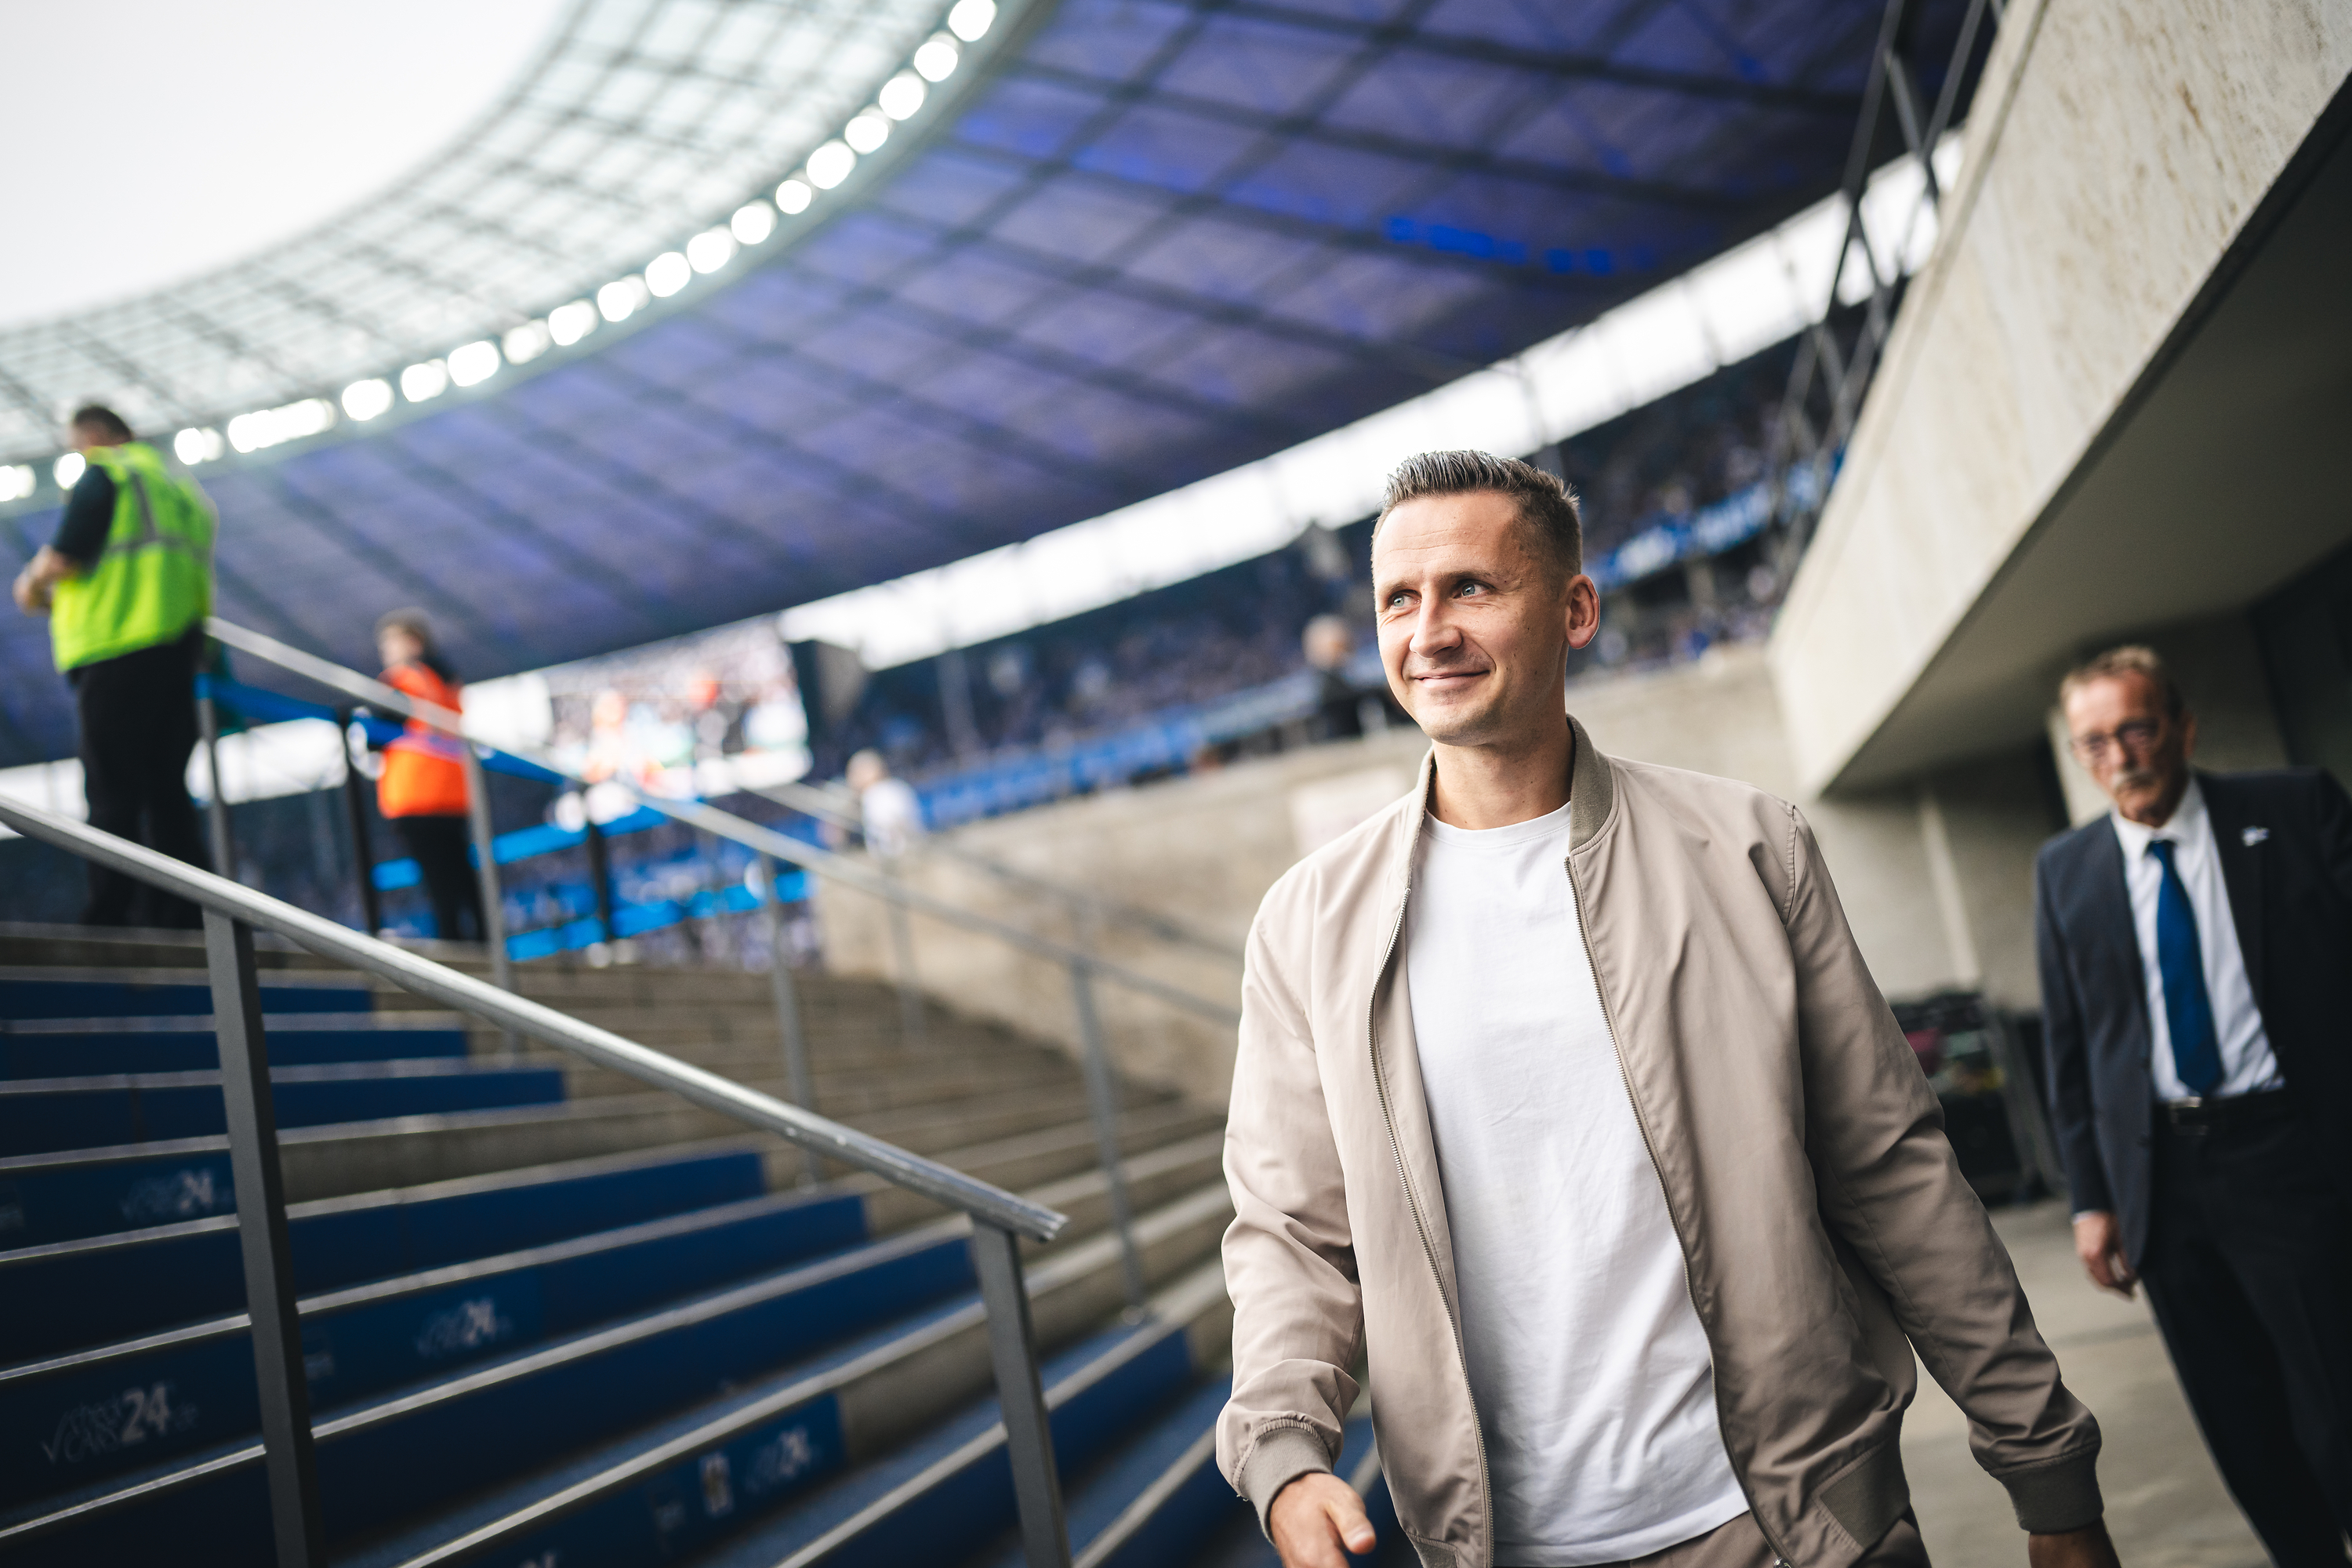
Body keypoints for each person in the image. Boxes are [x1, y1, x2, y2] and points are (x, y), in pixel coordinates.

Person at [1217, 450, 2119, 1568]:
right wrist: (1285, 1445)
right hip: (1497, 1545)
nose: (1428, 631)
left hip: (1797, 1527)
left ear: (1575, 607)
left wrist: (2046, 1468)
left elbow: (1893, 1170)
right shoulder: (1309, 924)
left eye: (1472, 589)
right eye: (1399, 599)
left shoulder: (1747, 849)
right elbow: (1294, 1233)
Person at [2036, 645, 2352, 1566]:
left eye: (2136, 728)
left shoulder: (2294, 809)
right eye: (2095, 740)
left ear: (2181, 724)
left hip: (2286, 1153)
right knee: (2242, 1426)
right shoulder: (2067, 868)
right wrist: (2092, 1197)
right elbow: (2070, 1046)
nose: (2121, 756)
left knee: (2333, 1408)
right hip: (2162, 1182)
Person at [10, 405, 215, 927]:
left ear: (93, 436)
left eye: (76, 445)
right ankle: (188, 914)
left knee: (111, 790)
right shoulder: (176, 486)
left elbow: (66, 556)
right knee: (167, 789)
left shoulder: (108, 473)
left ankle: (110, 915)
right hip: (177, 649)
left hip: (115, 649)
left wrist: (31, 583)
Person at [372, 609, 485, 943]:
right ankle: (485, 944)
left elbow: (376, 736)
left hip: (416, 795)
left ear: (412, 642)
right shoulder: (446, 679)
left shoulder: (403, 681)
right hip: (453, 793)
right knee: (463, 877)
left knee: (439, 883)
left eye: (390, 644)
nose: (386, 653)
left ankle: (459, 953)